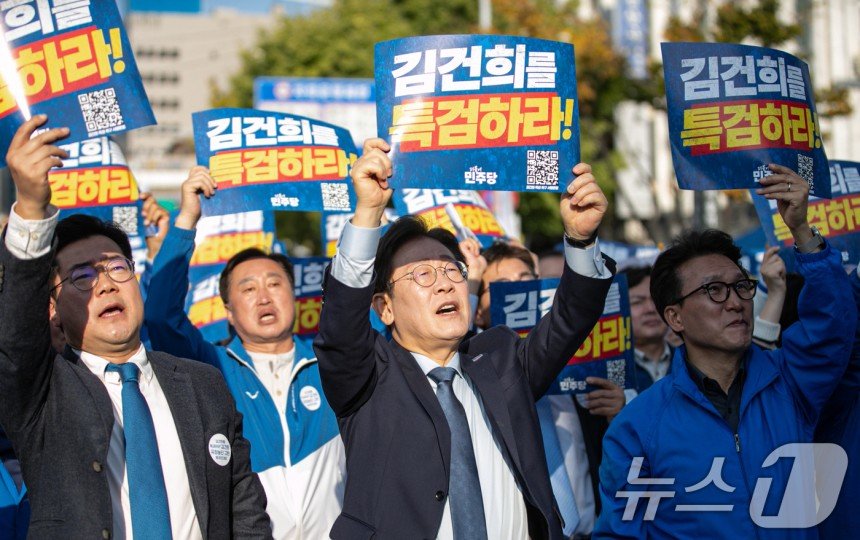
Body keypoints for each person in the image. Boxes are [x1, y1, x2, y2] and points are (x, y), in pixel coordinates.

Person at [313, 138, 615, 539]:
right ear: (385, 307)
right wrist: (369, 211)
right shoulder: (367, 378)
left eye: (452, 270)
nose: (444, 285)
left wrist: (579, 240)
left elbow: (570, 318)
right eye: (422, 274)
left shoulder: (502, 359)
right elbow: (340, 323)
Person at [0, 115, 270, 539]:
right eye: (82, 278)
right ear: (52, 306)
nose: (105, 283)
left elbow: (246, 515)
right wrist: (31, 209)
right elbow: (15, 335)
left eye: (116, 268)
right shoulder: (42, 392)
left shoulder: (203, 385)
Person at [594, 164, 856, 539]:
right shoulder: (638, 427)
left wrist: (801, 230)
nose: (735, 302)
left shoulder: (791, 382)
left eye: (740, 287)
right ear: (675, 317)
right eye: (714, 291)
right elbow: (621, 533)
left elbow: (834, 324)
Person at [144, 168, 344, 539]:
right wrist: (186, 219)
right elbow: (158, 314)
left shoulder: (333, 364)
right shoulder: (212, 369)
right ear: (229, 312)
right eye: (248, 289)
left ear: (296, 298)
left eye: (275, 284)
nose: (264, 296)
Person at [475, 241, 625, 538]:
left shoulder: (584, 372)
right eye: (501, 285)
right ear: (478, 312)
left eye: (526, 280)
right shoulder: (475, 375)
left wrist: (621, 412)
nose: (518, 291)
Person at [620, 264, 673, 392]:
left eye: (656, 300)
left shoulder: (689, 361)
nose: (650, 309)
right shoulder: (611, 370)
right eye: (637, 302)